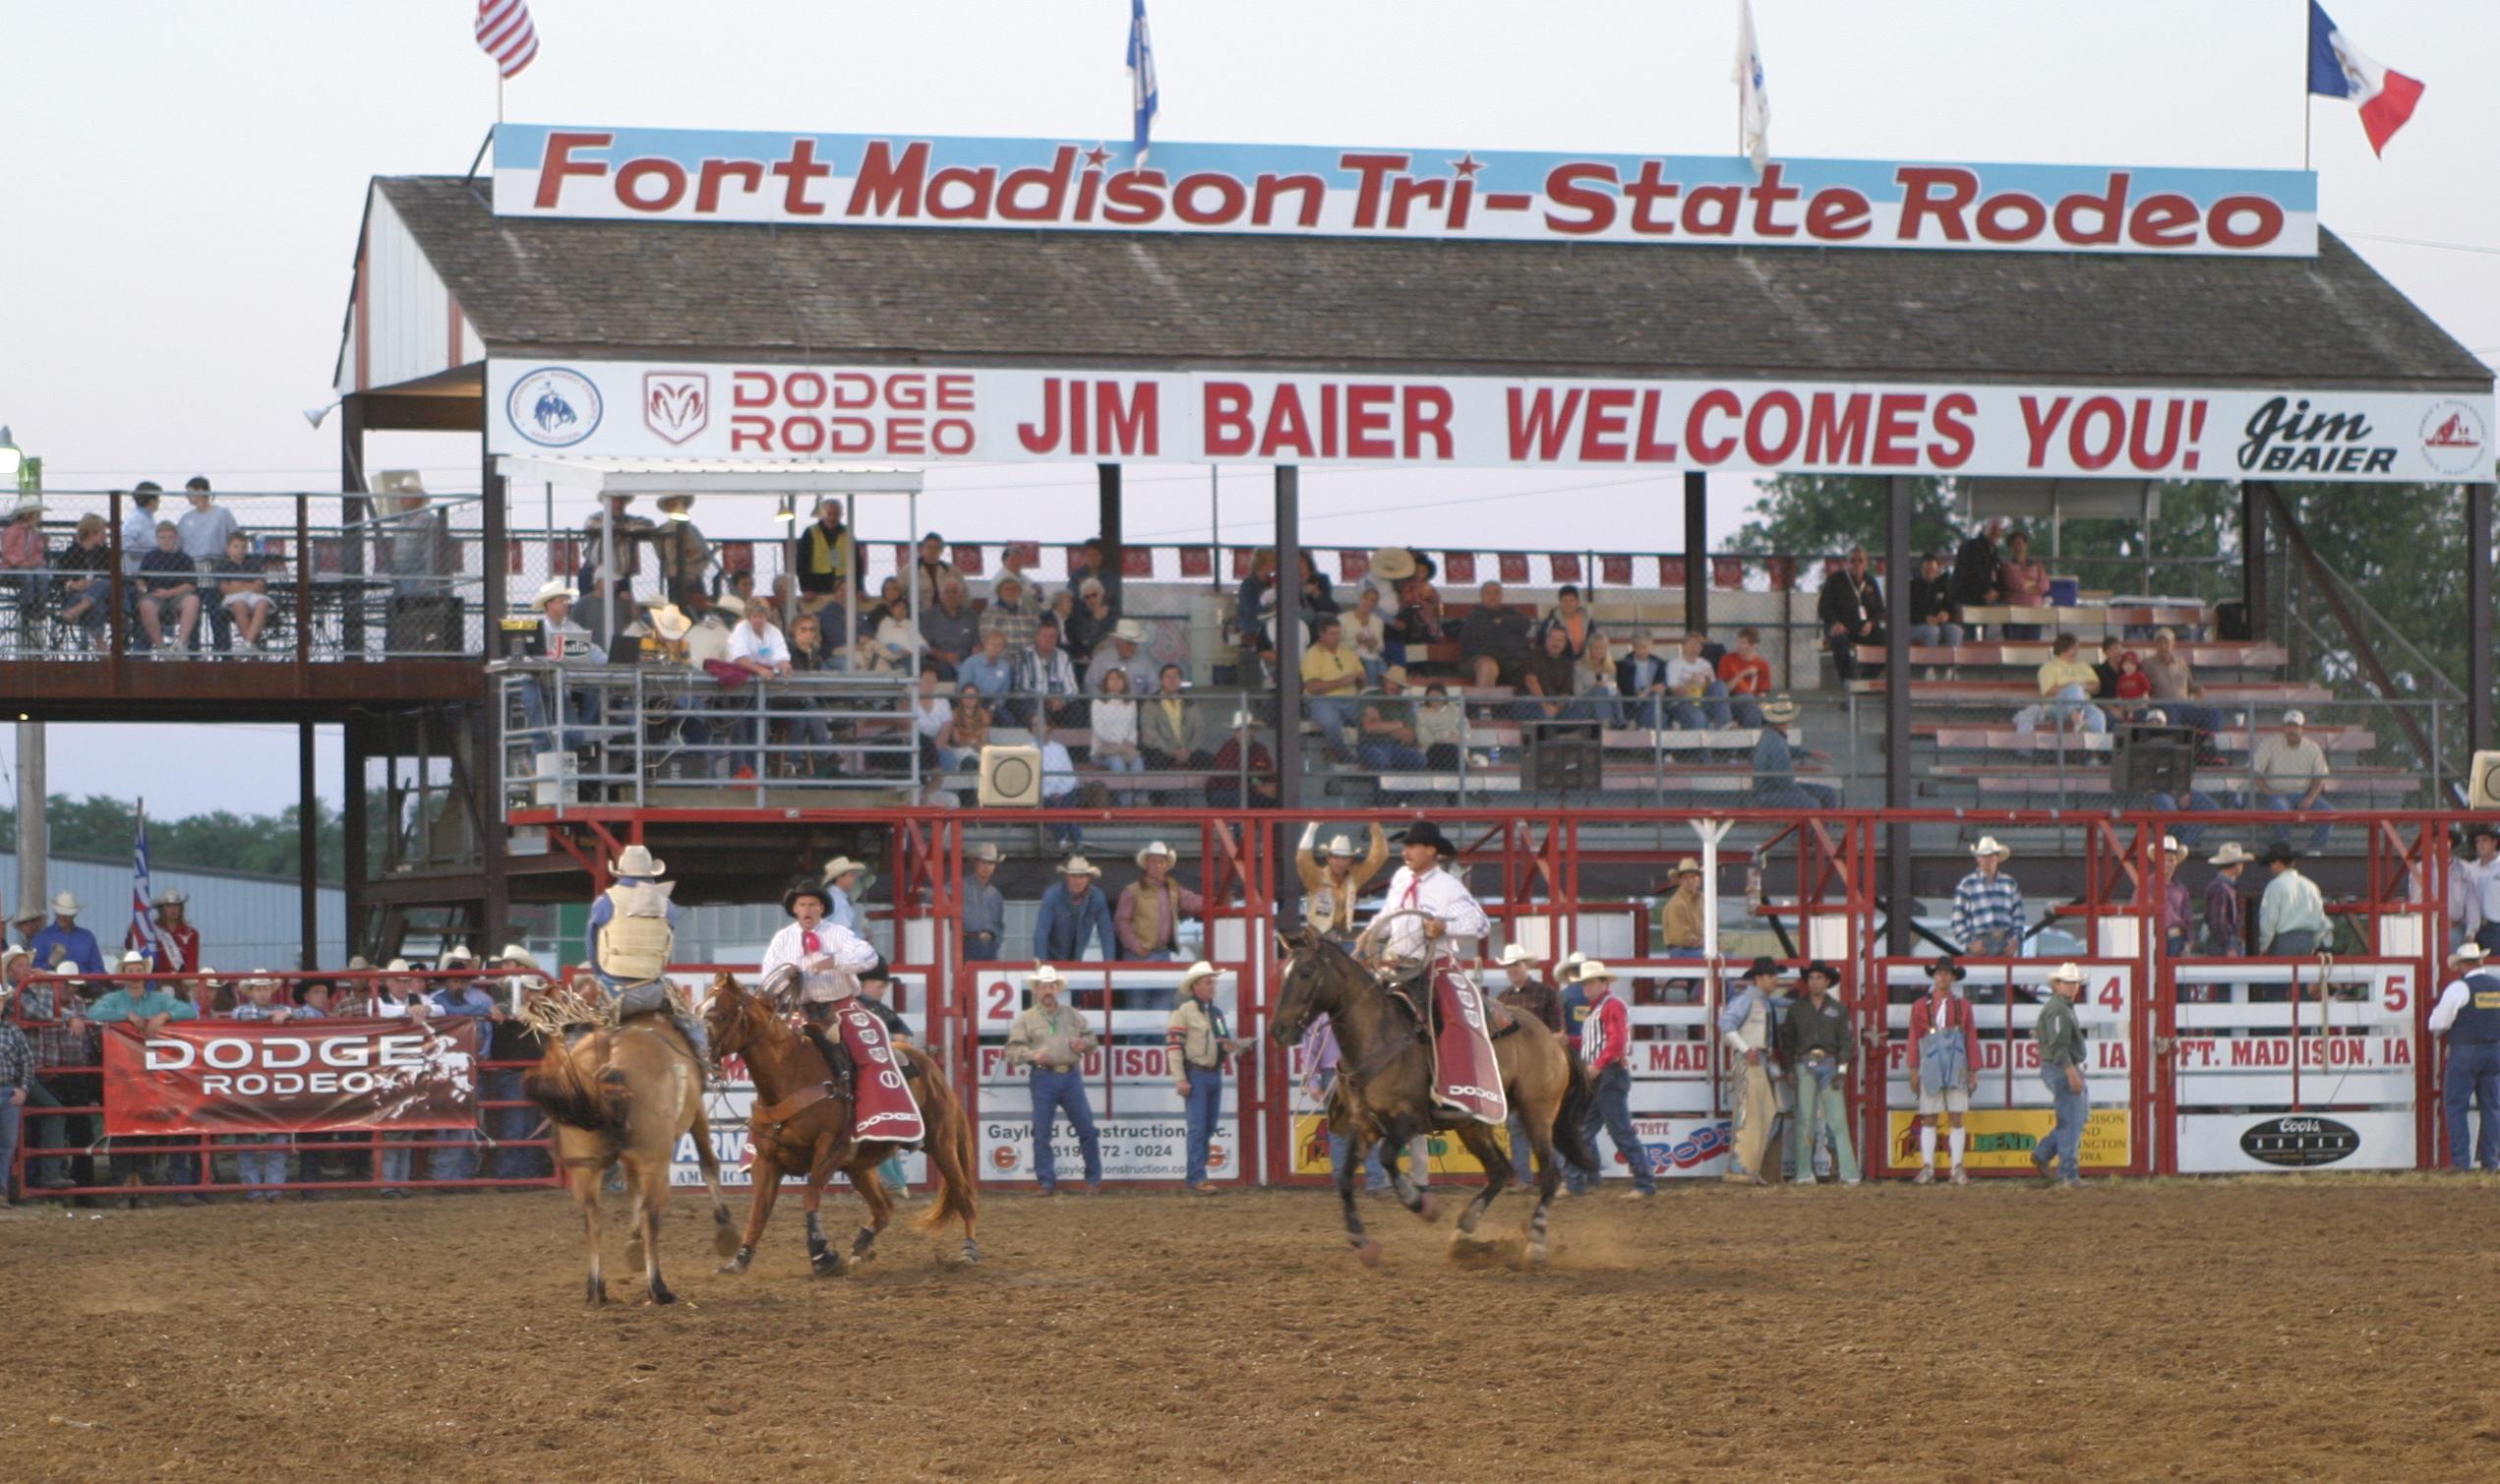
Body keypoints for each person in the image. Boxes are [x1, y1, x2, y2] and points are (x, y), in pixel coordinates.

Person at [584, 843, 706, 1068]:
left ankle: (570, 1076)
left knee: (574, 1028)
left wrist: (600, 974)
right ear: (650, 873)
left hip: (613, 992)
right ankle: (703, 1064)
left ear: (621, 872)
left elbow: (591, 944)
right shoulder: (665, 903)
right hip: (653, 991)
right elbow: (668, 948)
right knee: (692, 1024)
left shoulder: (606, 901)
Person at [1557, 961, 1655, 1198]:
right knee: (1584, 1129)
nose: (1587, 987)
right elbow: (1600, 1042)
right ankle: (1574, 1182)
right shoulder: (1602, 1007)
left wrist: (1596, 1066)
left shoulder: (1610, 1006)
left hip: (1608, 1075)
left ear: (1603, 983)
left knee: (1614, 1130)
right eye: (1585, 983)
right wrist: (1570, 1041)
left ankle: (1644, 1183)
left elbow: (1616, 1043)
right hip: (1605, 1076)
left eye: (1591, 982)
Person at [1003, 964, 1101, 1195]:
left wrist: (1085, 1044)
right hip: (1043, 1076)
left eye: (1051, 986)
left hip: (1070, 1075)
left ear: (1057, 988)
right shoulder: (1026, 1019)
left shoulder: (1073, 1015)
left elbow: (1092, 1040)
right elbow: (1011, 1051)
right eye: (1043, 986)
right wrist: (1032, 1055)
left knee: (1086, 1128)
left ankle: (1093, 1180)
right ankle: (1046, 1181)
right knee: (1041, 1133)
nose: (1048, 990)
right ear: (1036, 990)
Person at [1166, 961, 1254, 1193]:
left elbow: (1221, 1042)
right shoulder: (1184, 1012)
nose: (1213, 986)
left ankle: (1196, 1176)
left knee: (1206, 1127)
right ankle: (1197, 1177)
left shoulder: (1215, 1013)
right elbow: (1174, 1048)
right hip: (1196, 1073)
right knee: (1199, 1128)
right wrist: (1180, 1078)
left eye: (1213, 982)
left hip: (1211, 1073)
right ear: (1196, 986)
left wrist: (1234, 1045)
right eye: (1208, 982)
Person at [1778, 962, 1860, 1186]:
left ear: (1826, 981)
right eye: (1812, 977)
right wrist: (1789, 1068)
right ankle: (1805, 1172)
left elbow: (1846, 1041)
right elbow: (1788, 1042)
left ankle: (1848, 1172)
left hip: (1830, 1064)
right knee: (1805, 1119)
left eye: (1819, 977)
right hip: (1804, 1063)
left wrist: (1842, 1070)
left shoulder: (1839, 1009)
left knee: (1838, 1120)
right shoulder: (1797, 1009)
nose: (1815, 981)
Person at [762, 880, 879, 1024]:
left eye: (812, 905)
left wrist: (835, 961)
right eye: (802, 905)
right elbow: (768, 977)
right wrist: (788, 978)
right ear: (795, 909)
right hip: (799, 1011)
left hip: (839, 1009)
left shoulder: (838, 933)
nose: (807, 910)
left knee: (862, 1042)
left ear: (821, 908)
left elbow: (869, 956)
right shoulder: (782, 939)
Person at [1908, 956, 1981, 1186]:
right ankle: (1928, 1167)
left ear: (1953, 977)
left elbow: (1971, 1037)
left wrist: (1973, 1070)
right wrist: (1913, 1069)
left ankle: (1956, 1167)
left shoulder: (1963, 1006)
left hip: (1957, 1061)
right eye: (1939, 973)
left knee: (1956, 1115)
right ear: (1933, 976)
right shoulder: (1920, 1006)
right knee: (1929, 1116)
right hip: (1930, 1062)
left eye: (1948, 973)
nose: (1943, 977)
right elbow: (1914, 1037)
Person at [2429, 944, 2500, 1172]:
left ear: (2462, 964)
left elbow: (2437, 1023)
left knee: (2456, 1105)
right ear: (2480, 961)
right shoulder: (2497, 986)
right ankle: (2491, 1161)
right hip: (2495, 1051)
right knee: (2492, 1107)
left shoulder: (2459, 988)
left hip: (2466, 1051)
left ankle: (2461, 1161)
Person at [1718, 956, 1784, 1186]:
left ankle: (1749, 1167)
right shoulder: (1747, 1000)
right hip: (1751, 1060)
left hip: (1758, 1059)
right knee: (1752, 1114)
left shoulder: (1762, 1001)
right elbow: (1726, 1025)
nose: (1776, 979)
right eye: (1772, 975)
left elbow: (1727, 1026)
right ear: (1759, 978)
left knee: (1761, 1114)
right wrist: (1746, 1050)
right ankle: (1741, 1168)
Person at [2030, 963, 2091, 1188]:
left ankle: (2044, 1152)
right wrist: (2071, 1072)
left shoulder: (2061, 1007)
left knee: (2076, 1118)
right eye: (2068, 983)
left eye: (2075, 983)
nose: (2073, 987)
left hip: (2061, 1066)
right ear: (2057, 985)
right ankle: (2067, 1173)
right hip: (2062, 1067)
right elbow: (2059, 1047)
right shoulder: (2059, 1010)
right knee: (2073, 1120)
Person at [2247, 711, 2334, 854]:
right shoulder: (2270, 744)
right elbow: (2255, 771)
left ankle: (2314, 850)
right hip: (2278, 794)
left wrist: (2310, 798)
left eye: (2295, 726)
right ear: (2283, 727)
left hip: (2304, 793)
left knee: (2329, 813)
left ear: (2302, 728)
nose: (2291, 730)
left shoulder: (2312, 748)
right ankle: (2284, 850)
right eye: (2288, 726)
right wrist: (2268, 790)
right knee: (2280, 811)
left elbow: (2319, 777)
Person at [1296, 822, 1390, 943]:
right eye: (1335, 857)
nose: (1340, 863)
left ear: (1351, 860)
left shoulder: (1355, 877)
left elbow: (1379, 856)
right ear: (1328, 859)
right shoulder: (1316, 877)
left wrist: (1374, 825)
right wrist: (1312, 828)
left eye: (1344, 858)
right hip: (1316, 935)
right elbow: (1302, 859)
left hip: (1340, 933)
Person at [1118, 842, 1204, 963]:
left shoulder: (1173, 888)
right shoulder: (1132, 891)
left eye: (1161, 862)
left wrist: (1215, 900)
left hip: (1163, 953)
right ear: (1146, 864)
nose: (1157, 865)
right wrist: (1137, 947)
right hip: (1138, 955)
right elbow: (1121, 922)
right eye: (1153, 861)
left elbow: (1190, 901)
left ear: (1166, 866)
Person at [1752, 696, 1837, 808]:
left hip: (1776, 790)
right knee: (1812, 804)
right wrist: (1802, 794)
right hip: (1770, 793)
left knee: (1828, 793)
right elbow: (1785, 782)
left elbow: (1789, 750)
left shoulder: (1773, 736)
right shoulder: (1775, 742)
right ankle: (1812, 825)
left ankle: (1822, 825)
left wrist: (1810, 753)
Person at [1817, 547, 1883, 682]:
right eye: (1853, 561)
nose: (1856, 564)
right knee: (1839, 639)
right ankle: (1847, 680)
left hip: (1862, 626)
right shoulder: (1835, 580)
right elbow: (1823, 607)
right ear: (1847, 563)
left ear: (1866, 563)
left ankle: (1867, 679)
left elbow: (1880, 609)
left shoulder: (1871, 582)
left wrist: (1871, 623)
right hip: (1840, 625)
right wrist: (1835, 622)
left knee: (1889, 640)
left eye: (1860, 560)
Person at [1951, 837, 2023, 958]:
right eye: (1984, 856)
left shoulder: (2009, 883)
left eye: (1991, 855)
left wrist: (2015, 941)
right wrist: (1970, 942)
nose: (1988, 859)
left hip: (2005, 942)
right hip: (1978, 941)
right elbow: (1957, 919)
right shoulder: (1967, 884)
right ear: (1978, 858)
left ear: (1997, 858)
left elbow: (2018, 916)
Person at [136, 520, 202, 653]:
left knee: (193, 601)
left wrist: (170, 592)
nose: (166, 541)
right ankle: (161, 648)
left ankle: (181, 645)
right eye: (162, 537)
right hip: (155, 595)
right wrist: (143, 589)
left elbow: (190, 585)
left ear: (176, 537)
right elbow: (140, 579)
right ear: (157, 538)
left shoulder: (185, 559)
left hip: (178, 595)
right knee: (145, 605)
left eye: (170, 537)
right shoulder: (150, 557)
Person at [1301, 617, 1365, 753]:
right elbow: (1311, 687)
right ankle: (1343, 755)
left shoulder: (1347, 652)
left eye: (1339, 633)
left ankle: (1366, 752)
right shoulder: (1312, 654)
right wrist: (1340, 683)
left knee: (1368, 716)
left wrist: (1361, 678)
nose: (1337, 637)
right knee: (1330, 721)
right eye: (1333, 634)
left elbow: (1362, 682)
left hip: (1351, 700)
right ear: (1321, 634)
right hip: (1322, 700)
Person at [1034, 856, 1114, 962]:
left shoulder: (1098, 897)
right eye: (1074, 876)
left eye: (1082, 877)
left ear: (1088, 878)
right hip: (1051, 956)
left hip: (1078, 958)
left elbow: (1106, 933)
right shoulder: (1052, 895)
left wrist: (1109, 965)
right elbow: (1042, 930)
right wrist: (1041, 962)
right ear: (1067, 877)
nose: (1078, 881)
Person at [2257, 844, 2329, 957]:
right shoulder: (2311, 886)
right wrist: (2315, 943)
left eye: (2271, 863)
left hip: (2284, 941)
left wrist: (2264, 946)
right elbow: (2320, 919)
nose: (2270, 867)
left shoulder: (2275, 886)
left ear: (2277, 863)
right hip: (2307, 940)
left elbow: (2269, 920)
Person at [1457, 580, 1533, 687]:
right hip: (1479, 660)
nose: (1492, 596)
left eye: (1496, 593)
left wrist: (1503, 621)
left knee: (1532, 668)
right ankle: (1485, 704)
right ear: (1482, 596)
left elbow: (1525, 624)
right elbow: (1481, 638)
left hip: (1511, 660)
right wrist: (1506, 629)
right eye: (1488, 593)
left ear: (1502, 595)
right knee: (1488, 666)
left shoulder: (1511, 612)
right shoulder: (1475, 616)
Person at [1008, 617, 1082, 728]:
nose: (1049, 639)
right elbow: (1022, 688)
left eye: (1053, 636)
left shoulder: (1064, 656)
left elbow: (1072, 688)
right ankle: (1045, 734)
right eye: (1045, 636)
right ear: (1036, 637)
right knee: (1026, 705)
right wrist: (1046, 699)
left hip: (1059, 705)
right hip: (1035, 703)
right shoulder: (1024, 656)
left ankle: (1068, 743)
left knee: (1077, 708)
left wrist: (1062, 700)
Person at [53, 513, 113, 646]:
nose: (106, 536)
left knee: (104, 586)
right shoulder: (71, 553)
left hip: (95, 597)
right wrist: (72, 584)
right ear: (91, 533)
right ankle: (100, 644)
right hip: (75, 596)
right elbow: (57, 578)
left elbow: (111, 578)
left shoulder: (105, 553)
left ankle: (78, 610)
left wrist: (92, 584)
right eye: (102, 533)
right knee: (96, 601)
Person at [1355, 667, 1429, 771]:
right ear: (1385, 681)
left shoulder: (1405, 703)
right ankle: (1382, 788)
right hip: (1370, 745)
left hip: (1397, 747)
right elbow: (1370, 727)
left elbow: (1410, 736)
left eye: (1399, 685)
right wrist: (1399, 724)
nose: (1395, 687)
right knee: (1380, 759)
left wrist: (1382, 726)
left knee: (1420, 760)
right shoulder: (1370, 696)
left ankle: (1404, 787)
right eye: (1392, 683)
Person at [209, 532, 273, 650]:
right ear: (228, 549)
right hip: (234, 597)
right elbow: (226, 589)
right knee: (239, 604)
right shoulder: (222, 565)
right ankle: (250, 644)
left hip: (254, 596)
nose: (240, 550)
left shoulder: (253, 563)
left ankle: (247, 644)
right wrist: (249, 585)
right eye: (236, 546)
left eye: (243, 547)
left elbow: (260, 586)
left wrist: (237, 584)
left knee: (263, 603)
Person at [1091, 668, 1144, 805]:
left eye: (1119, 678)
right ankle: (1125, 807)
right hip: (1105, 748)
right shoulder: (1098, 703)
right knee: (1117, 763)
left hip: (1126, 747)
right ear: (1106, 682)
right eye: (1111, 678)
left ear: (1124, 682)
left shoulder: (1130, 703)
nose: (1115, 682)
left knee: (1137, 762)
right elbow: (1099, 730)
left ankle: (1141, 803)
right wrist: (1120, 742)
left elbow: (1133, 728)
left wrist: (1131, 741)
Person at [0, 978, 32, 1206]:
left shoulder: (12, 1030)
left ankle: (1, 1190)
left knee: (7, 1144)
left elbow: (27, 1062)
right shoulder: (11, 1030)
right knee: (6, 1144)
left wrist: (22, 1088)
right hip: (8, 1090)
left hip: (8, 1090)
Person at [2035, 633, 2107, 735]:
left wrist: (2082, 686)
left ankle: (2096, 749)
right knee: (2074, 687)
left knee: (2098, 715)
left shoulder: (2083, 665)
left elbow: (2096, 687)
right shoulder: (2048, 667)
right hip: (2057, 707)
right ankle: (2078, 719)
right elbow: (2048, 691)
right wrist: (2073, 687)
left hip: (2084, 705)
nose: (2076, 652)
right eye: (2074, 649)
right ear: (2063, 648)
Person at [1209, 710, 1280, 809]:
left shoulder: (1260, 750)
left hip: (1252, 790)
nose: (1242, 733)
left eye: (1246, 729)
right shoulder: (1228, 750)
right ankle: (1239, 825)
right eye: (1238, 730)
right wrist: (1258, 787)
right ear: (1234, 733)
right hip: (1226, 791)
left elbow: (1268, 771)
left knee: (1277, 796)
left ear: (1253, 731)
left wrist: (1272, 784)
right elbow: (1232, 779)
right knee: (1240, 795)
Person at [1948, 517, 2004, 636]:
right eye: (1993, 529)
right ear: (1985, 529)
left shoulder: (1994, 551)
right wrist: (1985, 592)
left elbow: (1996, 575)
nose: (1996, 533)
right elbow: (1967, 574)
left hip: (1984, 603)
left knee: (1986, 640)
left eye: (1998, 530)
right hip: (1966, 600)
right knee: (1968, 640)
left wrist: (1996, 592)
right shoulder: (1969, 546)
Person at [1663, 631, 1733, 728]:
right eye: (1691, 644)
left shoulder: (1706, 664)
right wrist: (1690, 683)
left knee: (1719, 685)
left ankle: (1726, 725)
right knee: (1698, 717)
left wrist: (1707, 683)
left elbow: (1715, 689)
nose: (1694, 647)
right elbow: (1674, 692)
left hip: (1703, 700)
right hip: (1683, 702)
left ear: (1701, 648)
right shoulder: (1674, 664)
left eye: (1697, 644)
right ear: (1683, 646)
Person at [4, 498, 50, 643]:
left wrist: (36, 560)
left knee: (43, 575)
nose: (38, 518)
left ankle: (40, 604)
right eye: (36, 515)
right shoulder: (12, 531)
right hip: (12, 567)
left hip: (31, 565)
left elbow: (38, 552)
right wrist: (20, 562)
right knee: (27, 577)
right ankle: (28, 605)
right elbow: (7, 551)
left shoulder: (34, 533)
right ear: (28, 515)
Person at [794, 499, 855, 605]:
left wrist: (860, 588)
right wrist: (806, 588)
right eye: (829, 513)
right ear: (822, 514)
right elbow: (802, 562)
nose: (832, 517)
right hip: (817, 585)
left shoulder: (847, 533)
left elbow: (857, 561)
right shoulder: (811, 532)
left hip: (843, 584)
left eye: (836, 514)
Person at [919, 576, 979, 682]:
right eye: (947, 592)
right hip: (939, 662)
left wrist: (975, 663)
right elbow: (925, 646)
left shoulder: (971, 616)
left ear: (961, 595)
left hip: (966, 662)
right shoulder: (929, 616)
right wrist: (945, 656)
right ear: (941, 595)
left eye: (955, 592)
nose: (951, 596)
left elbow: (976, 645)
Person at [29, 892, 102, 976]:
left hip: (85, 987)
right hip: (51, 987)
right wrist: (49, 963)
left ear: (74, 915)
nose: (62, 917)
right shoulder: (41, 938)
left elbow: (98, 970)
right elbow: (33, 971)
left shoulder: (87, 937)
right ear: (55, 913)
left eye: (67, 914)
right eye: (60, 913)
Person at [2202, 842, 2254, 959]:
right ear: (2237, 865)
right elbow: (2218, 921)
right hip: (2224, 945)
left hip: (2225, 943)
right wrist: (2228, 947)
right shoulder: (2221, 888)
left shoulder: (2222, 887)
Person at [1995, 529, 2050, 638]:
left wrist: (2027, 586)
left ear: (2026, 545)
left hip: (2034, 613)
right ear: (2010, 547)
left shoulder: (2037, 565)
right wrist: (2034, 585)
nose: (2018, 547)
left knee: (2033, 647)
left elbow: (2044, 586)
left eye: (2020, 543)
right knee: (2014, 646)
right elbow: (2015, 583)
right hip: (2014, 613)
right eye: (2014, 544)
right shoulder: (2007, 566)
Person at [1907, 551, 1964, 651]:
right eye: (1926, 570)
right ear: (1921, 569)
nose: (1930, 574)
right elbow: (1906, 614)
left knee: (1956, 631)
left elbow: (1951, 606)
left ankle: (1951, 664)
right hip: (1916, 625)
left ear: (1937, 569)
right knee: (1933, 631)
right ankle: (1930, 664)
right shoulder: (1912, 587)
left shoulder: (1944, 585)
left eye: (1933, 570)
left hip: (1940, 624)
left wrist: (1946, 614)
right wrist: (1924, 619)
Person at [960, 842, 1007, 962]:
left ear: (994, 866)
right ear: (976, 863)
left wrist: (997, 941)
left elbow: (999, 924)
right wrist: (923, 893)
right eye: (983, 862)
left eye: (991, 863)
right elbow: (941, 894)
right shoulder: (960, 886)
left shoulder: (996, 895)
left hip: (991, 947)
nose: (987, 867)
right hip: (968, 945)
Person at [1716, 628, 1772, 727]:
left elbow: (1762, 693)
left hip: (1753, 703)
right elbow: (1724, 689)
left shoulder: (1763, 665)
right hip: (1732, 701)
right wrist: (1742, 673)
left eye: (1743, 643)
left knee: (1761, 710)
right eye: (1738, 642)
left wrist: (1761, 704)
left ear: (1754, 645)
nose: (1739, 646)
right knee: (1747, 698)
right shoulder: (1727, 659)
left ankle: (1751, 736)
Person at [1616, 630, 1672, 730]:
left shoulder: (1660, 664)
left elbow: (1662, 686)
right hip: (1633, 703)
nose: (1641, 651)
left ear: (1651, 647)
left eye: (1644, 647)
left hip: (1654, 700)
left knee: (1656, 704)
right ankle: (1655, 738)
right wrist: (1647, 690)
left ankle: (1645, 730)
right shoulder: (1624, 664)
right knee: (1660, 716)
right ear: (1633, 647)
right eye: (1637, 647)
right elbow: (1624, 689)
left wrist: (1648, 690)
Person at [1657, 858, 1706, 958]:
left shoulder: (1703, 900)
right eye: (1686, 878)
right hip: (1681, 951)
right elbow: (1682, 937)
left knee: (1725, 957)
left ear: (1699, 879)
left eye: (1694, 877)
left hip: (1698, 948)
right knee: (1722, 958)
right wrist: (1705, 942)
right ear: (1680, 880)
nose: (1690, 881)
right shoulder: (1675, 904)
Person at [149, 889, 202, 974]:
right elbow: (131, 945)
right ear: (162, 909)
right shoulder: (151, 932)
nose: (173, 909)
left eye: (176, 905)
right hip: (157, 982)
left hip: (183, 982)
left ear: (181, 908)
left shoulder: (191, 934)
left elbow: (192, 964)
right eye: (169, 905)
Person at [1345, 585, 1389, 687]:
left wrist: (1373, 644)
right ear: (1360, 599)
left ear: (1376, 604)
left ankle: (1373, 693)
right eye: (1366, 598)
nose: (1369, 602)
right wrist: (1357, 642)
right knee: (1373, 664)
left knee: (1377, 664)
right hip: (1351, 658)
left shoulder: (1378, 621)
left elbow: (1381, 648)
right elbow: (1338, 646)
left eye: (1373, 601)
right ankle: (1372, 692)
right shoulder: (1343, 619)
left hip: (1372, 657)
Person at [819, 856, 872, 936]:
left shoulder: (831, 895)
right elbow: (844, 935)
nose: (854, 878)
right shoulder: (840, 901)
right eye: (851, 875)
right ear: (840, 878)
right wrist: (864, 935)